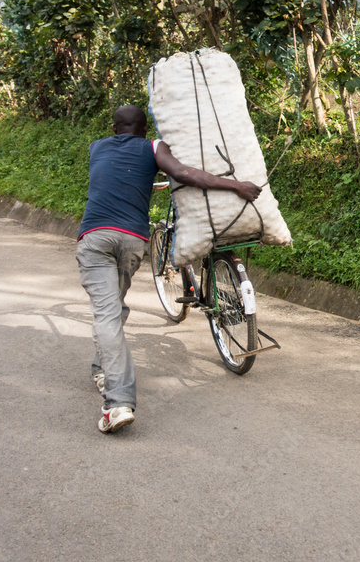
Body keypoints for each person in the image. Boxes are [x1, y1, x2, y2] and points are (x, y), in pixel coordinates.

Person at [77, 104, 261, 434]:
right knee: (113, 307)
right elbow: (184, 173)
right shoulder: (152, 147)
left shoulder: (97, 147)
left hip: (96, 237)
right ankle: (103, 368)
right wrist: (236, 186)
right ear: (145, 128)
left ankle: (117, 402)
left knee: (107, 312)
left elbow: (115, 173)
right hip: (132, 240)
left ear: (114, 127)